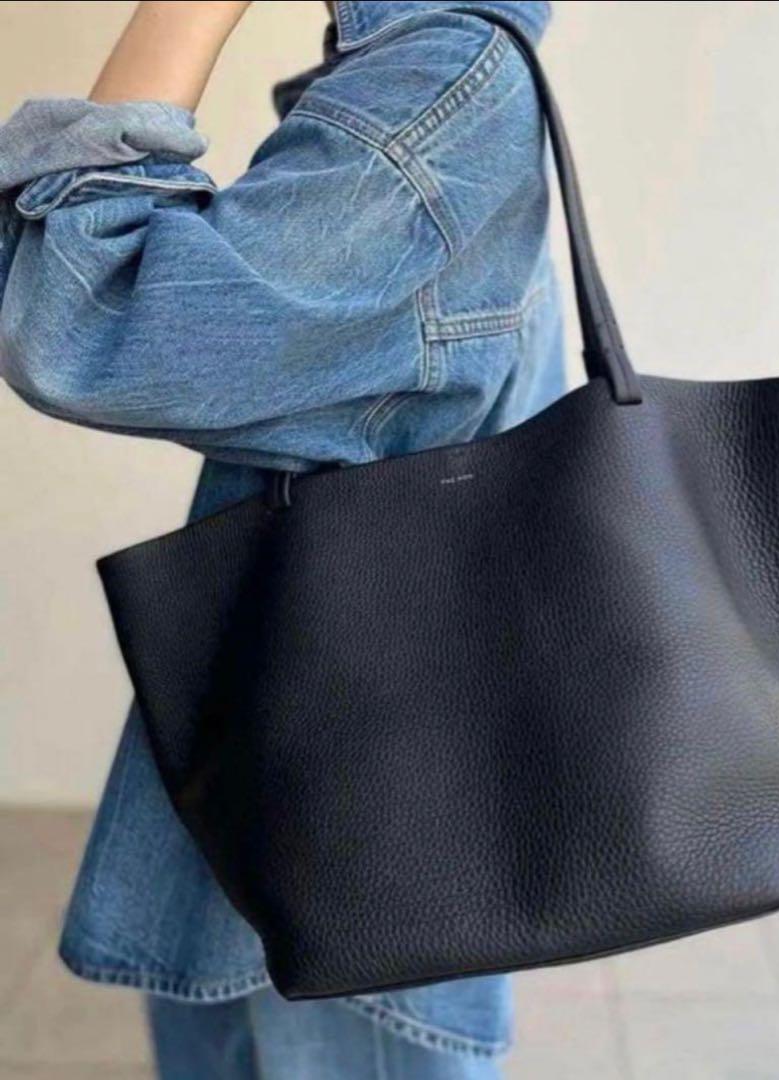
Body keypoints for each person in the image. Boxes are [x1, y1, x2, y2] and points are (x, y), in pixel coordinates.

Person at [0, 1, 563, 1076]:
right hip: (357, 772)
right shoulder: (445, 67)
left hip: (347, 821)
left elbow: (82, 317)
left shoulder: (445, 82)